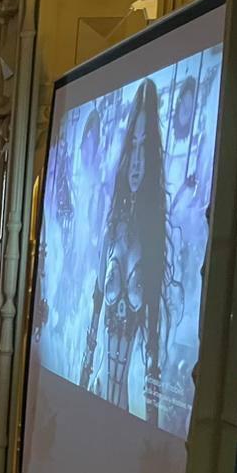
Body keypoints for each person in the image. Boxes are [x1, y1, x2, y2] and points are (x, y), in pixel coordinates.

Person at [79, 78, 182, 426]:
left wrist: (152, 425)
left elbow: (153, 356)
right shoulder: (112, 228)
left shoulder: (153, 243)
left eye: (144, 148)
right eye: (132, 146)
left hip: (128, 411)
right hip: (95, 399)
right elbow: (93, 325)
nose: (136, 162)